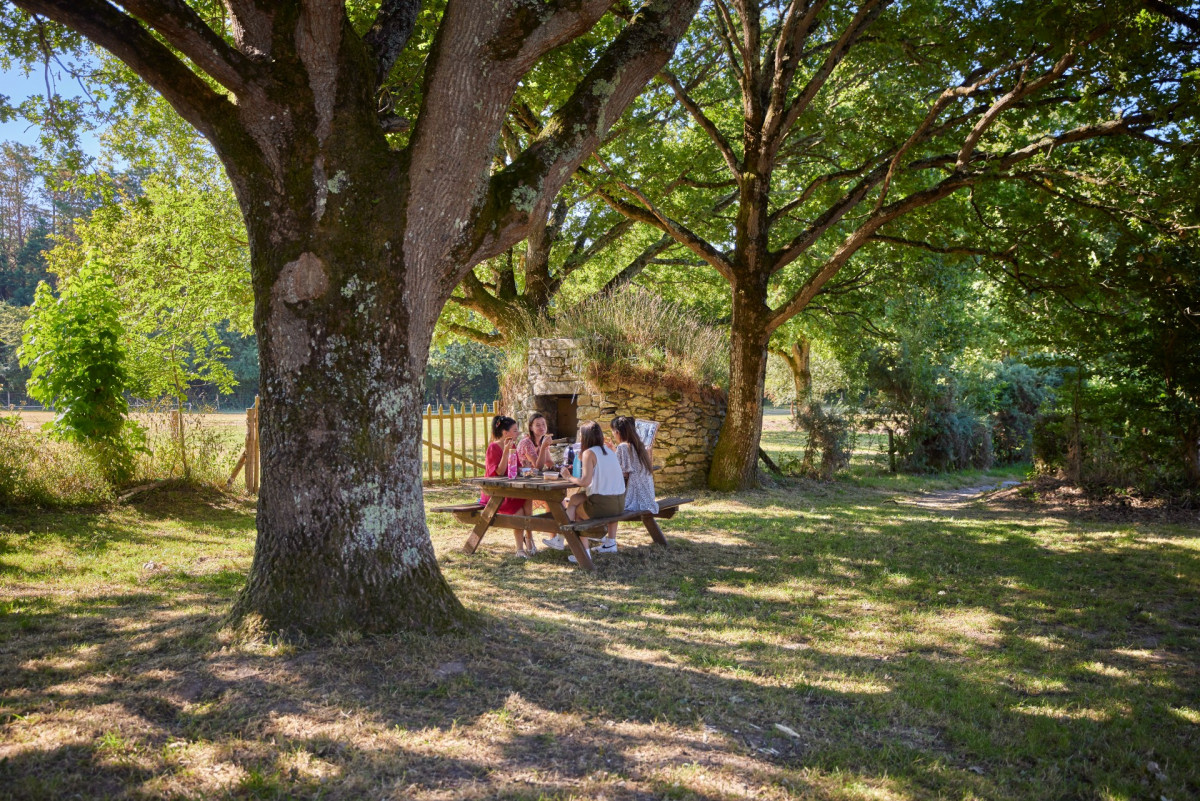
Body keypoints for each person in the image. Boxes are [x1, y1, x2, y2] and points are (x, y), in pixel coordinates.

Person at [544, 420, 624, 562]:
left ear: (585, 437)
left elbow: (585, 481)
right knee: (574, 499)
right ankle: (560, 539)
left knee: (577, 512)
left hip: (603, 505)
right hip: (619, 504)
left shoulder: (589, 453)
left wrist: (568, 477)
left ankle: (583, 553)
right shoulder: (609, 451)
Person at [602, 415, 658, 552]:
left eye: (613, 432)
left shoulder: (623, 447)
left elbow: (621, 472)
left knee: (606, 502)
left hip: (636, 498)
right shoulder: (639, 445)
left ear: (617, 432)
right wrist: (614, 450)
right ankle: (603, 537)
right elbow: (629, 466)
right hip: (647, 496)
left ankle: (604, 538)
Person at [482, 415, 535, 557]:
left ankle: (529, 539)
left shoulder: (512, 446)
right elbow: (498, 472)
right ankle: (520, 549)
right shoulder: (493, 448)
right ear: (505, 433)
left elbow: (515, 468)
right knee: (519, 511)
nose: (517, 433)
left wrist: (524, 467)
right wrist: (505, 451)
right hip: (496, 493)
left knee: (528, 500)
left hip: (511, 489)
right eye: (515, 431)